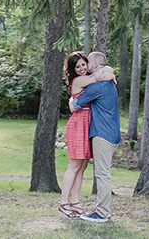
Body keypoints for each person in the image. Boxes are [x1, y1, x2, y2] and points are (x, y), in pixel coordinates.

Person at [59, 52, 115, 219]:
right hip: (78, 125)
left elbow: (106, 71)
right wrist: (109, 75)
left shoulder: (88, 76)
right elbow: (100, 76)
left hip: (87, 125)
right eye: (78, 67)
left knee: (82, 167)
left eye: (84, 64)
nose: (82, 68)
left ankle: (75, 202)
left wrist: (109, 73)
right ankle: (63, 204)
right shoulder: (80, 80)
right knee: (74, 166)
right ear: (73, 70)